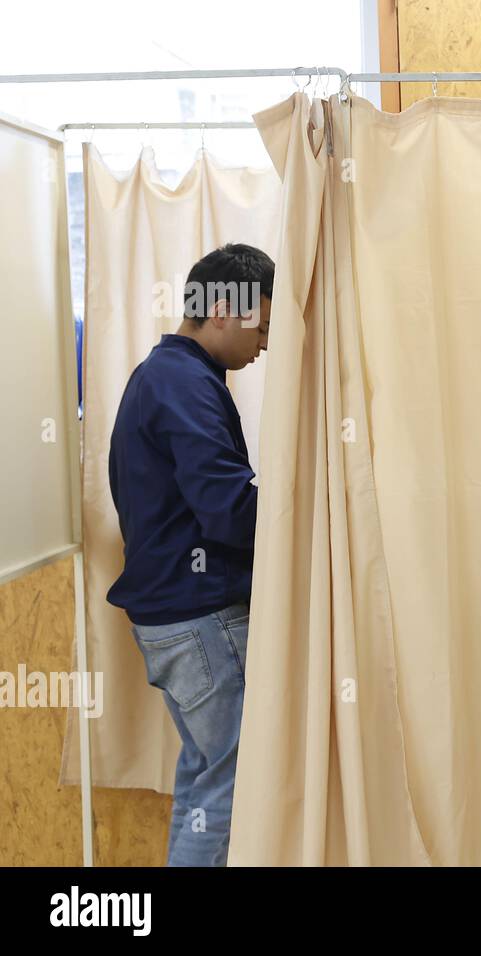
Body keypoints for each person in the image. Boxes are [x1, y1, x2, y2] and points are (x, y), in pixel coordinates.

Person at [106, 242, 274, 866]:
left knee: (206, 784)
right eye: (261, 321)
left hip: (174, 619)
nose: (264, 342)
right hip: (202, 619)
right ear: (224, 309)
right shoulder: (184, 383)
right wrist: (295, 510)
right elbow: (229, 510)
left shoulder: (163, 376)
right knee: (225, 792)